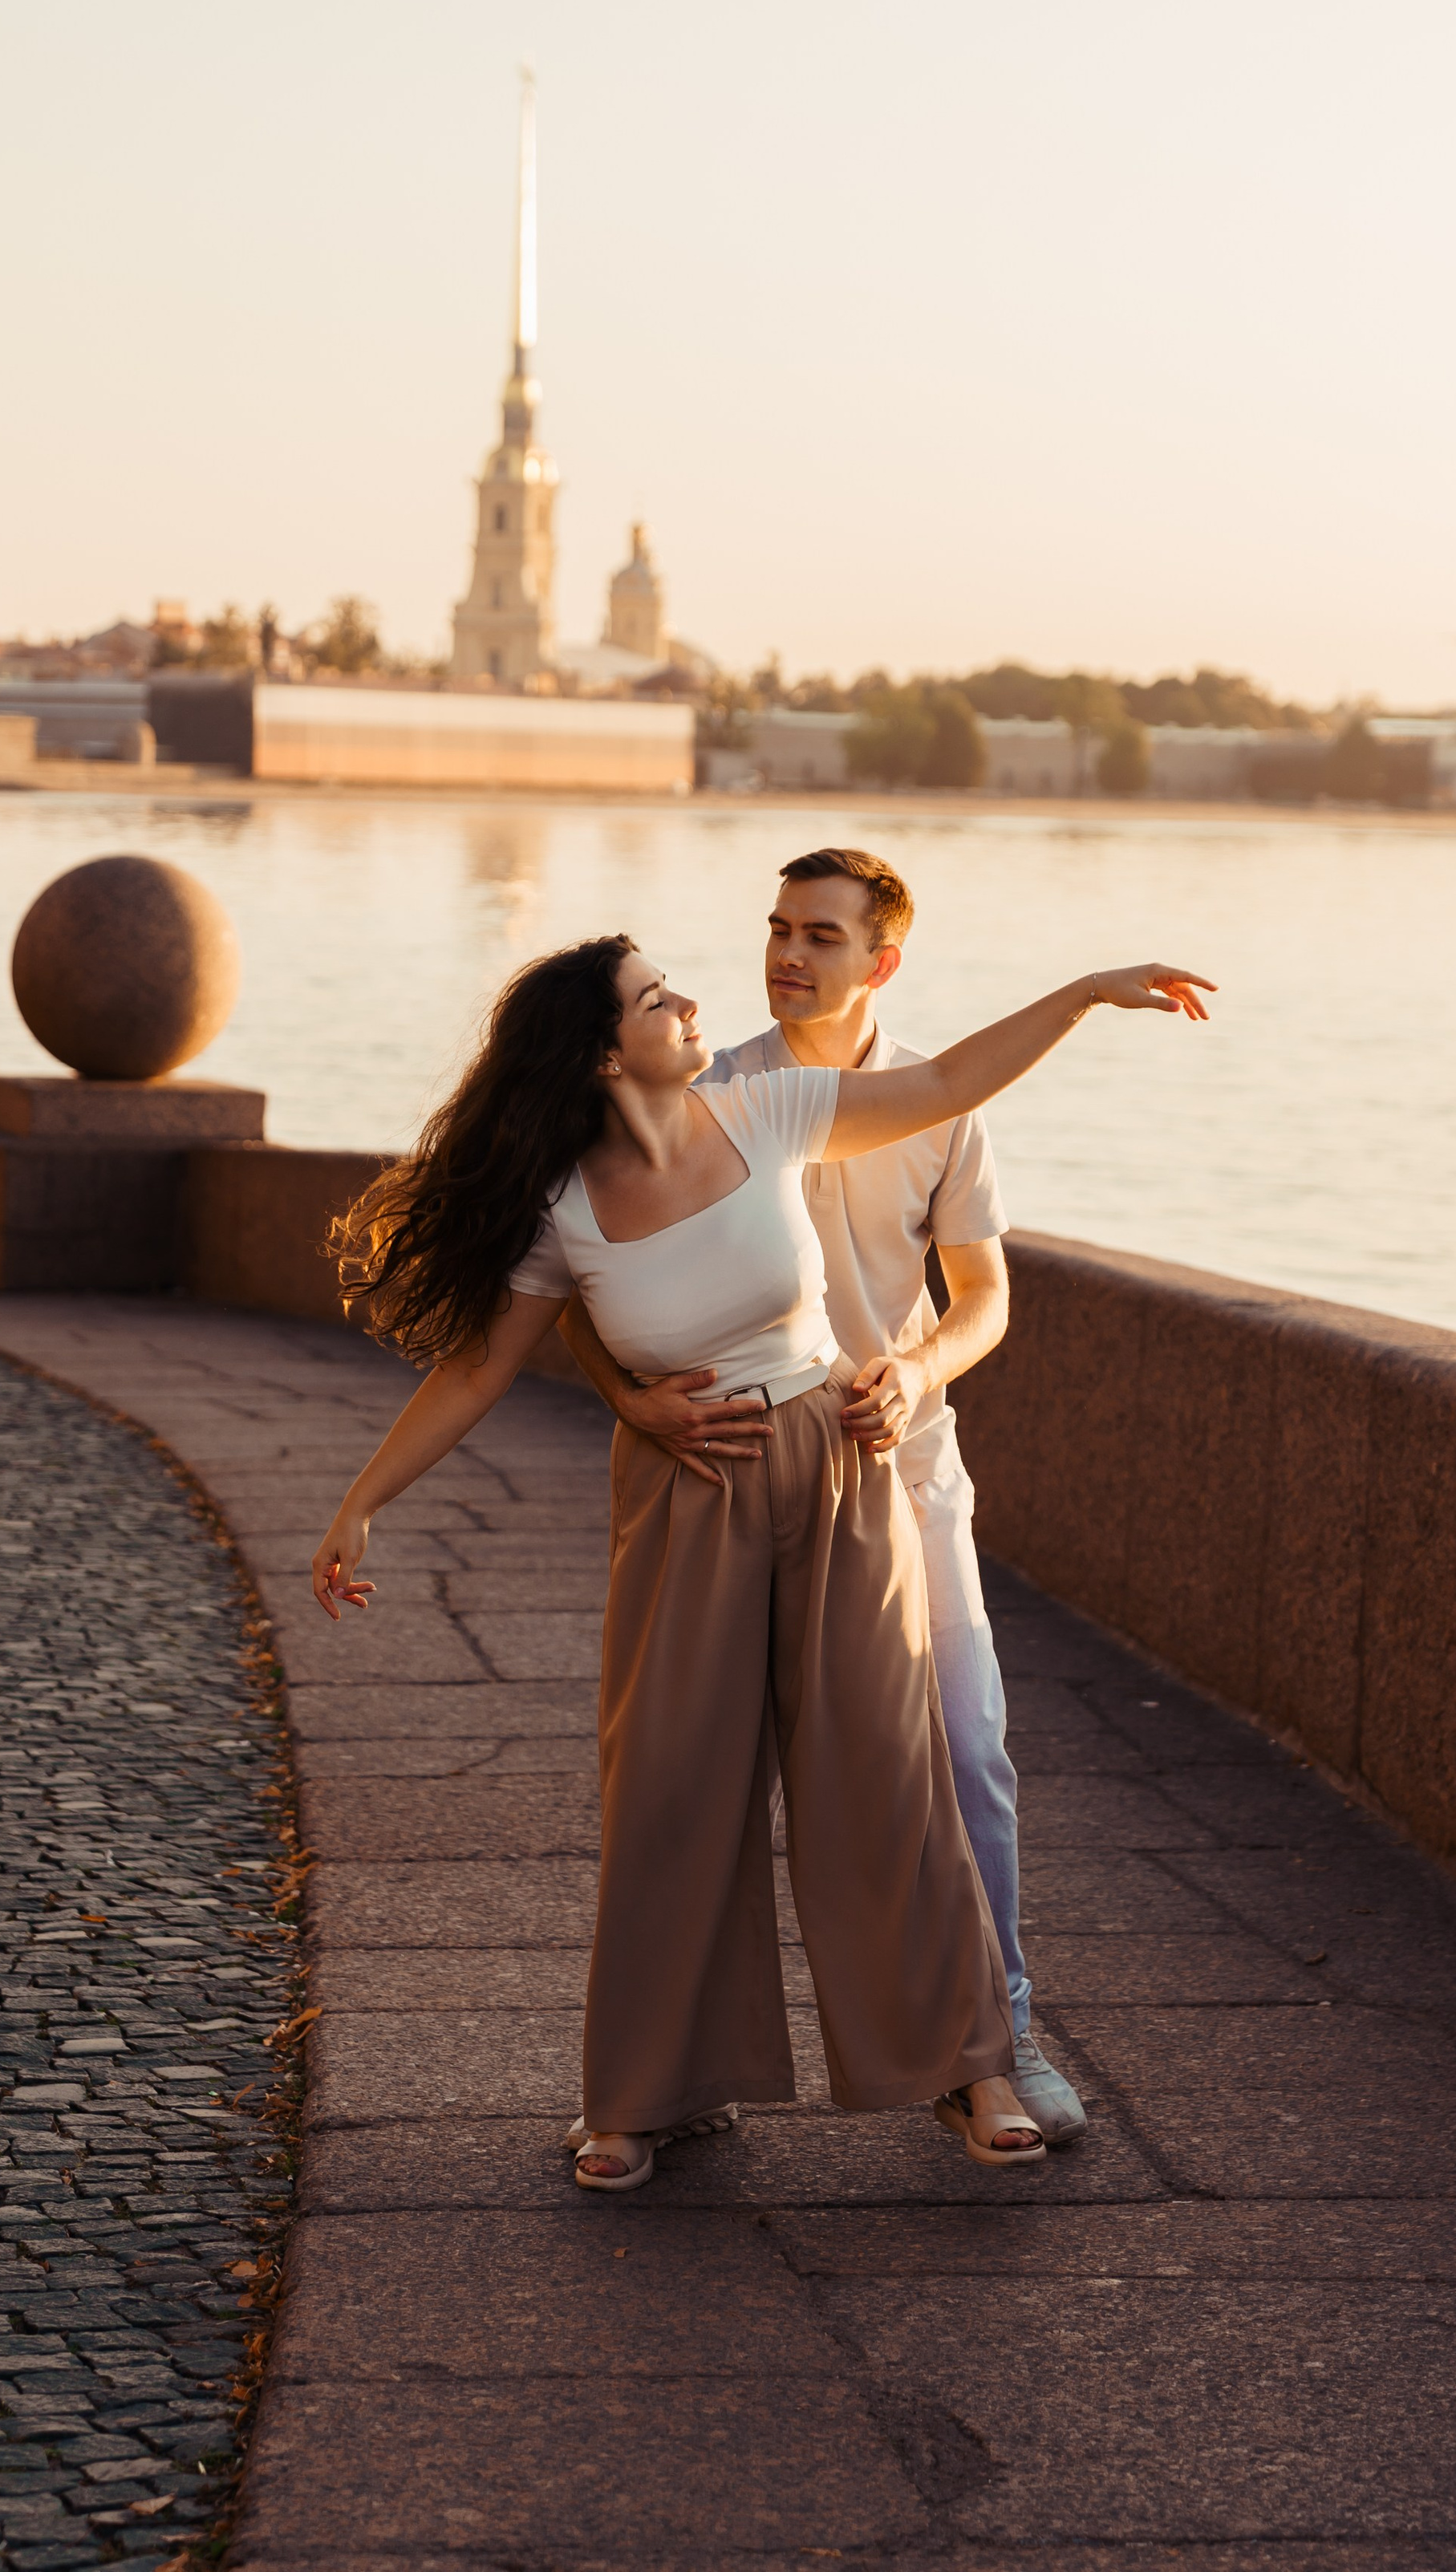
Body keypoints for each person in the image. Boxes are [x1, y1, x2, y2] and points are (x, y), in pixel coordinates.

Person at [311, 932, 1211, 2192]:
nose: (689, 1003)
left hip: (835, 1469)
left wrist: (1084, 994)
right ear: (601, 1052)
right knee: (674, 1787)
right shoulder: (561, 1208)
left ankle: (972, 2068)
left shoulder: (769, 1109)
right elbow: (475, 1370)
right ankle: (643, 2095)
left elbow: (949, 1084)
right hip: (692, 1498)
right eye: (653, 998)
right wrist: (365, 1500)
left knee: (888, 1773)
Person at [556, 846, 1084, 2144]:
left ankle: (996, 2035)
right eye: (779, 928)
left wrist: (913, 1368)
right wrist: (629, 1401)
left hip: (904, 1466)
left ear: (881, 959)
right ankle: (684, 2073)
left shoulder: (942, 1108)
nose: (789, 954)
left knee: (962, 1747)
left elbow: (987, 1301)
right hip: (745, 1470)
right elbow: (575, 1276)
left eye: (824, 937)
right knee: (703, 1774)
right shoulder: (712, 1086)